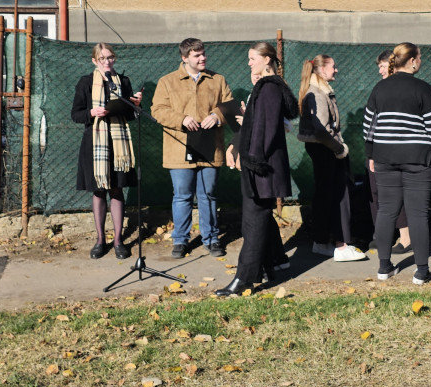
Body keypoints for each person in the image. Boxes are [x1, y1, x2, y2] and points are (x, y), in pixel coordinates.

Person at [217, 42, 298, 297]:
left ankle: (243, 279)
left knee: (253, 223)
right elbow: (260, 124)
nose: (249, 63)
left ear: (267, 59)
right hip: (261, 165)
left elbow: (268, 130)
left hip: (261, 167)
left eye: (253, 58)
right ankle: (270, 264)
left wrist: (251, 159)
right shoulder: (267, 87)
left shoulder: (269, 88)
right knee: (259, 218)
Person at [363, 42, 431, 285]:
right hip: (418, 159)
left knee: (386, 210)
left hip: (384, 158)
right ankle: (421, 272)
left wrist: (370, 155)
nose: (420, 61)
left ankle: (383, 267)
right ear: (411, 61)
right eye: (419, 57)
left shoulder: (379, 88)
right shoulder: (424, 89)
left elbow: (369, 127)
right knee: (417, 213)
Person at [150, 38, 234, 259]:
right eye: (197, 55)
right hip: (179, 149)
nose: (203, 58)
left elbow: (230, 105)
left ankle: (212, 239)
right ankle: (180, 241)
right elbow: (158, 110)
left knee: (208, 195)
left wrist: (217, 115)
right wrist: (182, 119)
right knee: (182, 196)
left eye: (203, 53)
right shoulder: (167, 81)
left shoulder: (218, 80)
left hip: (210, 148)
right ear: (184, 58)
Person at [70, 43, 142, 259]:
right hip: (95, 142)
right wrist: (92, 112)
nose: (108, 61)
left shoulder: (124, 82)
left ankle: (119, 241)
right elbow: (76, 114)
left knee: (118, 189)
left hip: (119, 143)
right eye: (102, 58)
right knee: (99, 190)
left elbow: (129, 115)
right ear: (94, 61)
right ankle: (101, 240)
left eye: (110, 57)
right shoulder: (85, 82)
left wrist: (136, 105)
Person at [298, 54, 365, 262]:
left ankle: (322, 242)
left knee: (325, 195)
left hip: (323, 149)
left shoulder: (318, 91)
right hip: (325, 150)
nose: (336, 70)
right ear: (322, 69)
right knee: (337, 196)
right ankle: (341, 245)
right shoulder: (317, 93)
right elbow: (321, 130)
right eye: (333, 67)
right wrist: (339, 149)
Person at [369, 49, 412, 254]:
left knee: (396, 193)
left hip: (395, 152)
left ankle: (406, 238)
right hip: (380, 150)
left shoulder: (402, 89)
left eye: (382, 66)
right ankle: (383, 235)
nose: (379, 71)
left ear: (393, 65)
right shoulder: (382, 88)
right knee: (378, 192)